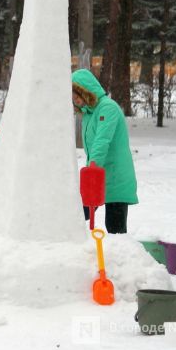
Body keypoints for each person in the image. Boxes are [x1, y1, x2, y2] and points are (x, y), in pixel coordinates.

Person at [72, 69, 138, 234]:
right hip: (96, 175)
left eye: (76, 95)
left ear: (85, 91)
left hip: (115, 177)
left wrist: (93, 166)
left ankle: (121, 258)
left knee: (115, 228)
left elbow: (102, 140)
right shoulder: (88, 113)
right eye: (72, 97)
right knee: (78, 215)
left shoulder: (108, 108)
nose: (74, 100)